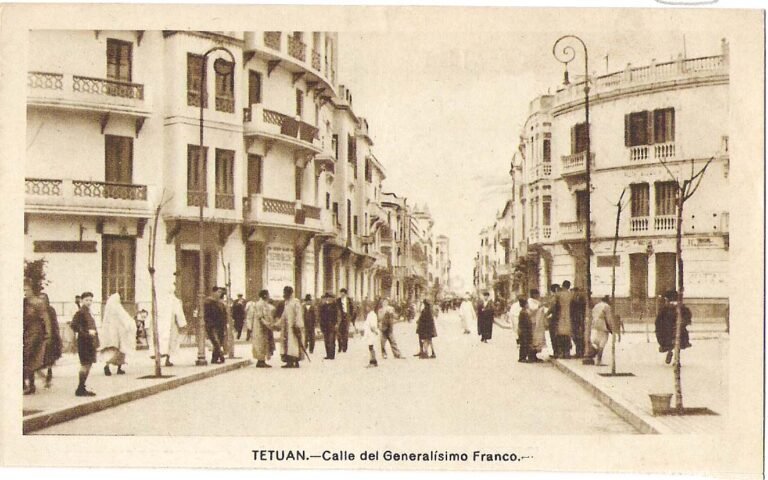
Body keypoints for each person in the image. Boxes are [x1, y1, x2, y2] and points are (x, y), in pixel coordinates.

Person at [70, 291, 99, 396]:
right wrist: (86, 333)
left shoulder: (88, 311)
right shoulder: (80, 312)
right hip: (84, 342)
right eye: (86, 300)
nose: (89, 302)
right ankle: (80, 388)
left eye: (90, 300)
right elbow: (73, 325)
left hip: (90, 342)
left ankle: (82, 387)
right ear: (82, 300)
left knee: (88, 364)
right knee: (85, 364)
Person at [100, 293, 135, 376]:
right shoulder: (118, 308)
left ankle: (107, 366)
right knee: (120, 350)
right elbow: (125, 319)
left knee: (110, 351)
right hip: (119, 334)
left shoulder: (108, 311)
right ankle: (119, 368)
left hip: (110, 336)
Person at [23, 282, 48, 395]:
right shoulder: (24, 302)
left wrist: (47, 333)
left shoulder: (38, 303)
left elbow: (45, 318)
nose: (25, 292)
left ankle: (30, 385)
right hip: (25, 332)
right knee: (27, 359)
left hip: (35, 333)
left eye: (27, 290)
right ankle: (28, 384)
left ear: (32, 290)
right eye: (23, 290)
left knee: (29, 358)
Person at [655, 290, 693, 365]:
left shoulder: (666, 309)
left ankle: (672, 354)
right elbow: (687, 315)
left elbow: (659, 320)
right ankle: (676, 358)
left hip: (670, 330)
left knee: (673, 343)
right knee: (677, 343)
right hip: (676, 329)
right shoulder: (679, 308)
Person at [155, 278, 187, 366]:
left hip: (160, 325)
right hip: (171, 325)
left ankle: (158, 359)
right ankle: (167, 359)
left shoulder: (159, 300)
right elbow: (179, 313)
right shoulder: (175, 300)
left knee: (161, 340)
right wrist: (182, 324)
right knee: (172, 341)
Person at [247, 290, 276, 368]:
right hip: (260, 328)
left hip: (263, 328)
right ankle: (260, 361)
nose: (269, 296)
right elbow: (260, 316)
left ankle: (262, 360)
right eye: (268, 294)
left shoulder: (264, 304)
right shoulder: (260, 304)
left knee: (263, 344)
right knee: (260, 344)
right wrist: (267, 324)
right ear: (265, 295)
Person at [40, 292, 62, 388]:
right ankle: (45, 376)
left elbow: (54, 323)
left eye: (44, 298)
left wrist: (56, 335)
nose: (42, 300)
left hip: (50, 336)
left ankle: (49, 372)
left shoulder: (51, 310)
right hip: (39, 337)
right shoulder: (37, 310)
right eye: (40, 298)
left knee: (49, 356)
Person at [279, 286, 305, 368]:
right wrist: (278, 323)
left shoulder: (295, 302)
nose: (284, 294)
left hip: (293, 326)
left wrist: (298, 325)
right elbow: (284, 315)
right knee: (288, 345)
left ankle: (295, 361)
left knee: (294, 344)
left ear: (290, 293)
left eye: (286, 292)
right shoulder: (286, 303)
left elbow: (299, 314)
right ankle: (289, 362)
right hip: (286, 327)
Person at [204, 286, 227, 364]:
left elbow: (224, 314)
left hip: (220, 325)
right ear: (214, 292)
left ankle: (214, 358)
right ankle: (221, 355)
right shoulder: (208, 302)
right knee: (215, 341)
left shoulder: (221, 303)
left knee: (219, 341)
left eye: (220, 292)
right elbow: (206, 314)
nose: (219, 294)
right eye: (218, 292)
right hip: (212, 325)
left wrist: (225, 324)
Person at [590, 296, 614, 366]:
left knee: (596, 342)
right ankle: (598, 360)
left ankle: (595, 353)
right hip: (603, 326)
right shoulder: (607, 307)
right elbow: (608, 318)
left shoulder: (596, 305)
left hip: (595, 325)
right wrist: (611, 328)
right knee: (602, 344)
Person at [552, 280, 574, 358]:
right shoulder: (571, 294)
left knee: (560, 335)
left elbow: (554, 305)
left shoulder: (558, 295)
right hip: (569, 316)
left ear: (563, 285)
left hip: (560, 316)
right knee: (567, 335)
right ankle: (567, 352)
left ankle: (561, 352)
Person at [318, 293, 338, 360]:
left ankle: (332, 355)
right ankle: (328, 354)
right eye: (327, 298)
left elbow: (337, 315)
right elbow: (320, 316)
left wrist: (336, 324)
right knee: (326, 340)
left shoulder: (335, 306)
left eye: (329, 298)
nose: (328, 299)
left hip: (332, 325)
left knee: (331, 340)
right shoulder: (323, 306)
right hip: (325, 325)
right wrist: (321, 325)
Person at [362, 300, 380, 367]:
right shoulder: (370, 314)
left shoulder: (372, 315)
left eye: (367, 307)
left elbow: (372, 325)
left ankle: (373, 361)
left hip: (372, 334)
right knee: (371, 347)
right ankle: (373, 361)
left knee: (371, 347)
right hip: (370, 333)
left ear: (370, 307)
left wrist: (374, 331)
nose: (366, 308)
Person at [336, 288, 354, 353]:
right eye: (341, 293)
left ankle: (344, 347)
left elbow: (352, 309)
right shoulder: (337, 300)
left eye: (343, 294)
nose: (342, 295)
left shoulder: (349, 300)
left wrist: (351, 318)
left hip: (347, 318)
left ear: (345, 294)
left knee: (345, 333)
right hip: (340, 318)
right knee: (339, 333)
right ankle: (340, 346)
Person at [570, 287, 587, 358]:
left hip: (578, 320)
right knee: (576, 337)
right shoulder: (574, 300)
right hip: (575, 320)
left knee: (578, 337)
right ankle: (579, 352)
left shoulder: (580, 301)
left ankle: (580, 352)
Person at [516, 297, 534, 363]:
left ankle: (523, 357)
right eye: (527, 304)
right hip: (524, 331)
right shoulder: (524, 312)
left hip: (523, 330)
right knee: (524, 344)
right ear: (525, 304)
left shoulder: (523, 311)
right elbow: (527, 322)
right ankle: (522, 358)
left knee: (524, 344)